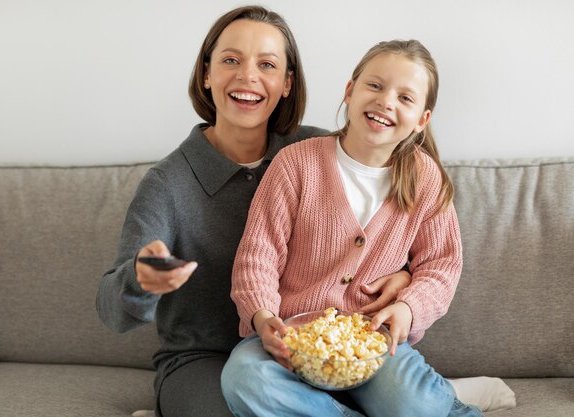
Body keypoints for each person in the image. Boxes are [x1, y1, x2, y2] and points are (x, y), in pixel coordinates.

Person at [95, 6, 412, 417]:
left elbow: (403, 214)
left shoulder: (318, 153)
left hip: (306, 351)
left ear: (286, 83)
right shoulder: (167, 184)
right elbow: (110, 312)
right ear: (206, 74)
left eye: (267, 64)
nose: (248, 76)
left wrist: (403, 274)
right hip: (203, 361)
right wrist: (141, 278)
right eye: (230, 60)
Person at [222, 39, 483, 417]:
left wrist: (409, 309)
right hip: (293, 338)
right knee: (244, 380)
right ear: (350, 90)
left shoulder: (426, 179)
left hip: (372, 340)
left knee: (421, 405)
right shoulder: (296, 164)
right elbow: (258, 255)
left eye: (405, 98)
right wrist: (263, 317)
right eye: (374, 86)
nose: (385, 102)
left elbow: (442, 266)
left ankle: (443, 400)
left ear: (422, 119)